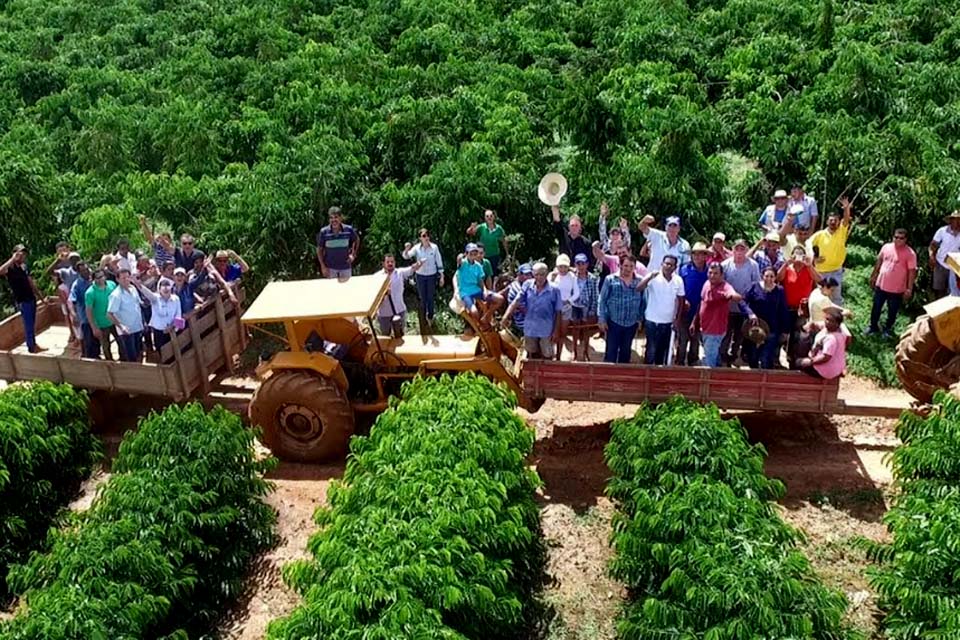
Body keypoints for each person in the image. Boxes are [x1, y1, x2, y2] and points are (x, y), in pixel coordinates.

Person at [693, 263, 755, 368]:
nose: (712, 275)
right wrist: (694, 322)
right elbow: (701, 303)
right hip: (704, 327)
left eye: (716, 273)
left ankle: (710, 381)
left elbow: (733, 295)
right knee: (713, 354)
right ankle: (718, 371)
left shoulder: (725, 287)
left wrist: (735, 297)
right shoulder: (707, 283)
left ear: (722, 275)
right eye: (710, 273)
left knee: (709, 361)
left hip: (715, 330)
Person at [501, 262, 562, 359]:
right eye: (536, 274)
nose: (539, 277)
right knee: (531, 352)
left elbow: (558, 312)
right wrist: (505, 316)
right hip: (530, 328)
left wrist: (556, 331)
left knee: (547, 353)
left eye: (542, 274)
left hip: (546, 328)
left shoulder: (554, 290)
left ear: (546, 274)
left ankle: (546, 372)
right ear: (533, 275)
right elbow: (516, 301)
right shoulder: (527, 285)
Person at [868, 229, 917, 337]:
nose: (898, 240)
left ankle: (887, 329)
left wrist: (909, 289)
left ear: (906, 239)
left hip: (897, 289)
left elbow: (912, 272)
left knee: (892, 311)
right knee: (876, 307)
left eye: (901, 238)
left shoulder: (910, 253)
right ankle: (873, 327)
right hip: (881, 285)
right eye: (896, 237)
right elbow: (879, 261)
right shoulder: (886, 247)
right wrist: (873, 276)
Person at [778, 246, 822, 365]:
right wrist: (787, 263)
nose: (798, 257)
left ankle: (793, 358)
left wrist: (809, 265)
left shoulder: (808, 269)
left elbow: (819, 280)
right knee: (784, 333)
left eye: (801, 254)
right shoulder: (787, 268)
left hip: (802, 309)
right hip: (787, 307)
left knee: (798, 334)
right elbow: (778, 277)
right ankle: (778, 357)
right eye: (796, 254)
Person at [638, 255, 685, 366]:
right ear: (662, 264)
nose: (668, 266)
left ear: (675, 267)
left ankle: (659, 377)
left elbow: (681, 300)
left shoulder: (678, 280)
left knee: (663, 351)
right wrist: (649, 277)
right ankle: (647, 374)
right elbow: (639, 288)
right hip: (652, 320)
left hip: (668, 322)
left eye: (671, 265)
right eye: (666, 263)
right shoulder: (654, 277)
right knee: (651, 350)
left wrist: (677, 319)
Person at [598, 254, 645, 363]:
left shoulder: (640, 281)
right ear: (620, 265)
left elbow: (643, 301)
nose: (628, 269)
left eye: (631, 266)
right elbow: (602, 300)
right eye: (626, 266)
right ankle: (608, 377)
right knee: (611, 352)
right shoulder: (610, 279)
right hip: (613, 322)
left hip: (631, 323)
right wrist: (602, 318)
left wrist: (639, 318)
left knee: (626, 352)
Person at [720, 239, 760, 366]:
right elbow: (721, 284)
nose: (739, 252)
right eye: (736, 249)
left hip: (745, 306)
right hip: (728, 306)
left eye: (742, 249)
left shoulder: (753, 265)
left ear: (747, 250)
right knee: (726, 334)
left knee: (740, 334)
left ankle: (734, 355)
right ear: (732, 250)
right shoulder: (725, 264)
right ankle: (723, 357)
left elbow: (756, 284)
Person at [808, 195, 853, 304]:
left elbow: (846, 219)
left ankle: (836, 318)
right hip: (821, 272)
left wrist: (847, 208)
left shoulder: (841, 232)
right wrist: (813, 259)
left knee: (836, 297)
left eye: (835, 220)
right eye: (831, 220)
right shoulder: (820, 234)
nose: (833, 222)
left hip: (836, 270)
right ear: (827, 222)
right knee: (821, 295)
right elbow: (807, 243)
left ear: (838, 222)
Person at [0, 245, 45, 353]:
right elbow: (0, 271)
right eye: (20, 254)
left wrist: (40, 296)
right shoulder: (9, 268)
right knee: (28, 324)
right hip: (23, 300)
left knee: (32, 323)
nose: (22, 257)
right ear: (14, 253)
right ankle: (31, 347)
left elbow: (30, 282)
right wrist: (12, 259)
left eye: (24, 255)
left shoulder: (24, 267)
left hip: (31, 298)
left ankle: (33, 344)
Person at [743, 267, 789, 369]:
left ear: (775, 278)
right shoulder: (754, 287)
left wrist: (785, 331)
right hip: (755, 328)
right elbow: (743, 302)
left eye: (771, 276)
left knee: (766, 358)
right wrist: (750, 313)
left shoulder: (779, 291)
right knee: (753, 357)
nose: (769, 279)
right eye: (766, 276)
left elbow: (783, 311)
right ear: (762, 276)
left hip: (772, 329)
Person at [677, 242, 711, 366]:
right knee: (682, 338)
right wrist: (683, 300)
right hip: (685, 309)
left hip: (702, 310)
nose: (697, 257)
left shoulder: (709, 271)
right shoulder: (684, 269)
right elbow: (678, 287)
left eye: (700, 254)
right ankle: (679, 362)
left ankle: (693, 362)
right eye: (694, 254)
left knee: (695, 338)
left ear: (705, 256)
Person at [455, 243, 503, 328]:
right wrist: (461, 256)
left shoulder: (478, 266)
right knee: (474, 312)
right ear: (467, 254)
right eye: (471, 254)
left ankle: (486, 317)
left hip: (476, 289)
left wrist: (485, 291)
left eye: (475, 253)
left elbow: (480, 281)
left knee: (500, 299)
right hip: (465, 291)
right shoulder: (463, 263)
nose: (473, 256)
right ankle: (480, 326)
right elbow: (458, 260)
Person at [403, 229, 445, 325]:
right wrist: (406, 249)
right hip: (420, 275)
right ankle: (423, 317)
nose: (426, 237)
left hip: (431, 275)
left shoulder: (434, 247)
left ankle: (430, 316)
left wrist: (442, 275)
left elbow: (439, 261)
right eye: (423, 236)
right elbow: (406, 256)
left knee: (430, 297)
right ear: (420, 238)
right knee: (422, 297)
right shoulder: (417, 248)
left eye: (427, 235)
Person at [132, 276, 182, 353]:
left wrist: (172, 327)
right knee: (161, 352)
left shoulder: (176, 299)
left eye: (167, 285)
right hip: (159, 332)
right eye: (163, 286)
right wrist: (138, 284)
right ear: (159, 289)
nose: (165, 288)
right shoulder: (155, 298)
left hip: (173, 332)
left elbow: (179, 316)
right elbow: (146, 292)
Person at [375, 254, 422, 337]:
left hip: (400, 310)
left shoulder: (400, 272)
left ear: (395, 263)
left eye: (392, 261)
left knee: (400, 336)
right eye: (388, 262)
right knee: (385, 337)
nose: (390, 263)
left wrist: (420, 262)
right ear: (383, 263)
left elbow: (412, 268)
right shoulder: (377, 277)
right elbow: (374, 295)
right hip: (384, 314)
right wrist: (384, 293)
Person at [797, 308, 847, 379]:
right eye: (826, 319)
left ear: (837, 324)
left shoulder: (831, 338)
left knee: (798, 362)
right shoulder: (839, 332)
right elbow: (817, 325)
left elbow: (825, 357)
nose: (827, 322)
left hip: (824, 371)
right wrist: (811, 324)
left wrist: (810, 361)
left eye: (831, 321)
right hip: (836, 368)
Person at [107, 268, 145, 362]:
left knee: (139, 352)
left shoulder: (133, 289)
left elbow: (139, 305)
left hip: (137, 327)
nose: (126, 280)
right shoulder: (116, 295)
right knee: (131, 356)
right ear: (118, 279)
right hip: (127, 331)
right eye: (123, 278)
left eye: (128, 277)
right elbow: (109, 314)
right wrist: (121, 326)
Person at [316, 206, 360, 279]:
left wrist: (353, 254)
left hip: (345, 267)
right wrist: (323, 266)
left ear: (340, 218)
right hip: (330, 268)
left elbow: (356, 240)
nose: (333, 220)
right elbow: (319, 250)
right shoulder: (324, 232)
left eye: (336, 217)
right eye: (331, 218)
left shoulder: (348, 230)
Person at [549, 254, 579, 359]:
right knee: (551, 331)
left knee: (562, 333)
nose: (562, 269)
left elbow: (577, 292)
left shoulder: (572, 277)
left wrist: (569, 300)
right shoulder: (552, 276)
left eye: (565, 266)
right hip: (553, 308)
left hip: (566, 307)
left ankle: (558, 356)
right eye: (560, 266)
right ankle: (549, 354)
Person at [84, 269, 118, 360]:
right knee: (106, 346)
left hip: (115, 321)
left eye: (102, 276)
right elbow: (88, 311)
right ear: (93, 279)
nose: (101, 279)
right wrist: (94, 327)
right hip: (101, 324)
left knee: (121, 342)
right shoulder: (90, 293)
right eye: (98, 277)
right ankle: (109, 363)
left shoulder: (112, 284)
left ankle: (124, 359)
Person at [571, 253, 599, 361]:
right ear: (575, 264)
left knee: (586, 329)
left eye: (583, 263)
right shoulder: (572, 277)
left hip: (586, 306)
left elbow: (595, 295)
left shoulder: (592, 278)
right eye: (578, 264)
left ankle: (586, 351)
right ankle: (575, 350)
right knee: (575, 328)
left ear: (587, 264)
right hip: (575, 306)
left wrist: (593, 310)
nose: (581, 266)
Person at [69, 262, 97, 359]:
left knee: (97, 342)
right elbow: (71, 301)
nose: (86, 272)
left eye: (87, 269)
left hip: (97, 316)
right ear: (78, 272)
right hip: (85, 318)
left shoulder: (93, 281)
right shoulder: (76, 285)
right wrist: (73, 314)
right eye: (83, 271)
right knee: (88, 342)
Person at [929, 211, 960, 298]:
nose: (958, 222)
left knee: (954, 290)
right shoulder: (942, 231)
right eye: (955, 220)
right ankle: (938, 309)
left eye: (959, 220)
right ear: (951, 221)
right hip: (941, 263)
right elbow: (933, 245)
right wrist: (931, 257)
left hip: (955, 265)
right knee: (939, 289)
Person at [467, 209, 508, 274]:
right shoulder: (482, 227)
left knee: (494, 274)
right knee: (483, 274)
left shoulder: (498, 228)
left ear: (494, 217)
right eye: (487, 216)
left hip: (494, 255)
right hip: (482, 256)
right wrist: (471, 228)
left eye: (491, 216)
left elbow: (504, 240)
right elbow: (470, 232)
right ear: (485, 218)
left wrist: (507, 253)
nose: (489, 218)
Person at [504, 264, 533, 335]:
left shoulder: (522, 285)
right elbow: (524, 310)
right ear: (519, 275)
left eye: (529, 274)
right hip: (523, 322)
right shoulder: (517, 288)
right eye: (525, 274)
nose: (527, 277)